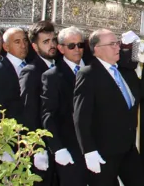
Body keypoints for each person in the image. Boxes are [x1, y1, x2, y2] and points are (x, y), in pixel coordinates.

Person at [73, 29, 144, 186]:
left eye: (117, 43)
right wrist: (88, 151)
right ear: (97, 49)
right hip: (103, 151)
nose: (118, 47)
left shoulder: (124, 72)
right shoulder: (88, 74)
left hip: (128, 148)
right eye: (112, 44)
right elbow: (81, 116)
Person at [41, 27, 88, 186]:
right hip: (70, 148)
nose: (77, 49)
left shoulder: (93, 70)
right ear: (61, 48)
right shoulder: (52, 76)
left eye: (80, 45)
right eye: (71, 46)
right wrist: (58, 148)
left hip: (96, 146)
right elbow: (48, 114)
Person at [21, 21, 58, 181]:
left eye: (53, 40)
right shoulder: (31, 72)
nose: (51, 45)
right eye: (46, 42)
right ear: (35, 47)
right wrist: (37, 147)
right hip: (43, 146)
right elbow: (29, 112)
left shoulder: (59, 67)